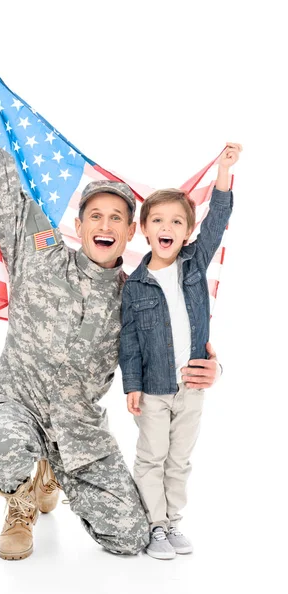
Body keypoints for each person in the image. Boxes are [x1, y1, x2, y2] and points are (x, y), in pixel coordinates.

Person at [0, 57, 221, 561]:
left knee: (131, 539)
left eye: (117, 217)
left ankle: (54, 468)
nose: (105, 222)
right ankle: (21, 496)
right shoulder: (37, 249)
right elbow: (1, 184)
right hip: (18, 402)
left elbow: (180, 331)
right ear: (80, 222)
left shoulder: (139, 295)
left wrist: (211, 364)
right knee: (6, 449)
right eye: (95, 213)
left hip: (79, 427)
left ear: (130, 233)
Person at [119, 143, 241, 560]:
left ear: (187, 231)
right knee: (152, 456)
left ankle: (172, 522)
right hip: (154, 389)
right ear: (144, 229)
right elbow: (129, 341)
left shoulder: (194, 263)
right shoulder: (134, 285)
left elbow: (218, 220)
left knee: (180, 460)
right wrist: (131, 385)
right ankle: (153, 526)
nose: (167, 226)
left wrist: (224, 170)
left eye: (176, 221)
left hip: (191, 386)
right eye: (158, 220)